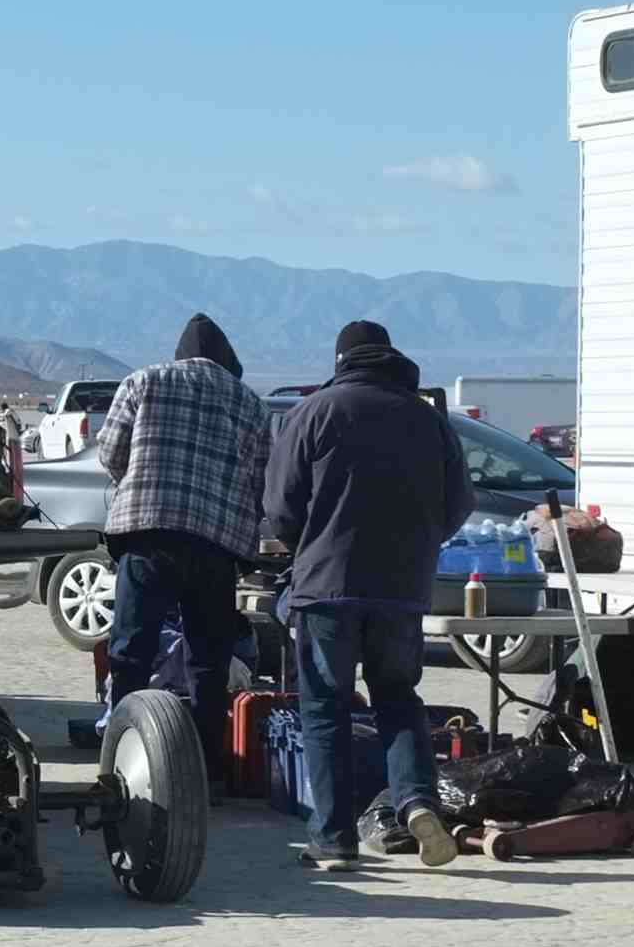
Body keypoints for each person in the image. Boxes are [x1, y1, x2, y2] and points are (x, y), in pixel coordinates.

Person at [262, 318, 471, 873]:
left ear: (340, 361)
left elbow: (281, 504)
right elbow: (458, 503)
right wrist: (420, 546)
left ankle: (332, 840)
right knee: (398, 699)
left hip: (327, 588)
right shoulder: (429, 421)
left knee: (325, 709)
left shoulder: (314, 412)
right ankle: (418, 802)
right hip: (403, 590)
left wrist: (303, 546)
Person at [90, 312, 266, 772]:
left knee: (131, 652)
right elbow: (259, 478)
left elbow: (110, 452)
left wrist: (141, 480)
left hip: (148, 535)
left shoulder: (143, 381)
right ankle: (204, 769)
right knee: (208, 660)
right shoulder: (249, 403)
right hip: (215, 545)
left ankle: (120, 763)